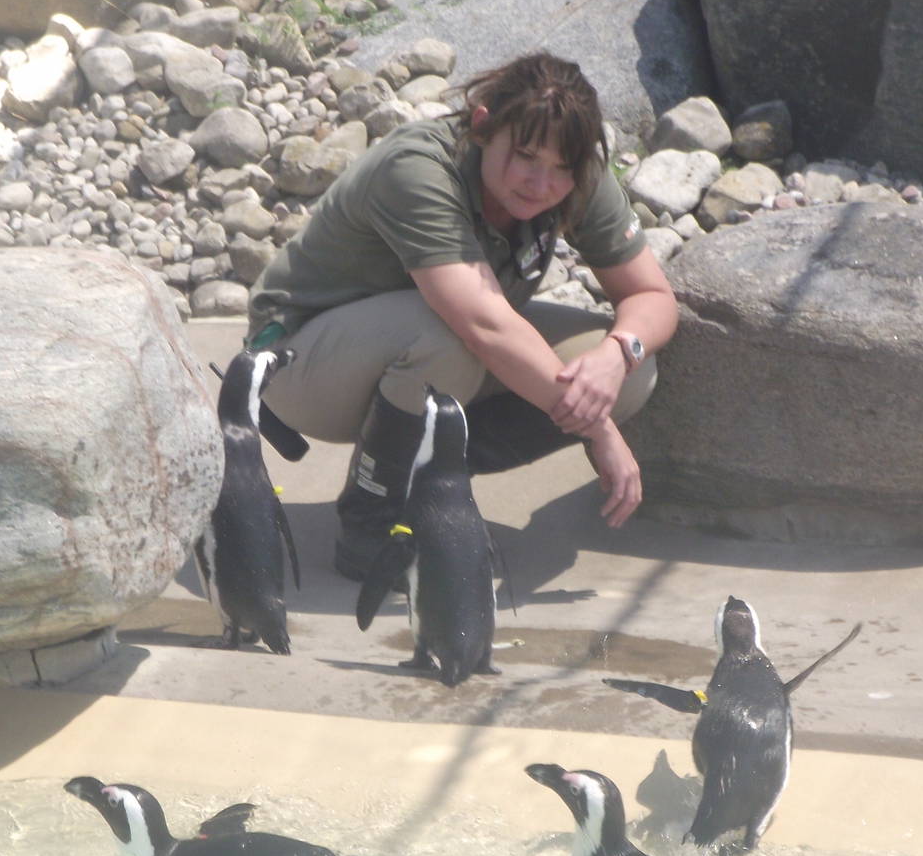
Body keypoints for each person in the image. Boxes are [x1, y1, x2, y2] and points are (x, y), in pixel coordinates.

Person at [245, 51, 679, 580]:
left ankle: (433, 484)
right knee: (448, 335)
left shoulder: (576, 170)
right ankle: (372, 519)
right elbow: (483, 324)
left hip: (435, 352)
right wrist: (598, 431)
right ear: (482, 127)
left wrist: (618, 355)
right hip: (299, 364)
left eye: (561, 168)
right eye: (525, 157)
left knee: (631, 374)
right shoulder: (419, 169)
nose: (542, 184)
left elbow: (653, 298)